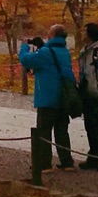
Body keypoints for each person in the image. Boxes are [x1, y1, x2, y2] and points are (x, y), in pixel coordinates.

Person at [19, 28, 76, 169]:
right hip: (63, 97)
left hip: (47, 97)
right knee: (62, 131)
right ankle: (67, 161)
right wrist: (43, 46)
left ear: (53, 35)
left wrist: (25, 46)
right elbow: (51, 58)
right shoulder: (64, 51)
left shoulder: (45, 53)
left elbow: (26, 60)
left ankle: (44, 164)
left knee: (44, 131)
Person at [76, 22, 98, 171]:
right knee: (89, 126)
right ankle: (93, 155)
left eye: (85, 32)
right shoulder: (85, 51)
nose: (82, 34)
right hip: (87, 92)